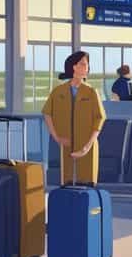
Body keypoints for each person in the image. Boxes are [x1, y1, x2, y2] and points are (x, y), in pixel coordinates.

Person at [42, 51, 106, 185]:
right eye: (83, 64)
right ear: (74, 67)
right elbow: (47, 114)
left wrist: (87, 146)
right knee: (67, 183)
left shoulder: (91, 92)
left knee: (86, 183)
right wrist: (57, 138)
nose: (87, 68)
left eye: (87, 65)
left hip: (86, 145)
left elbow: (99, 119)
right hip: (66, 145)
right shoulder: (58, 92)